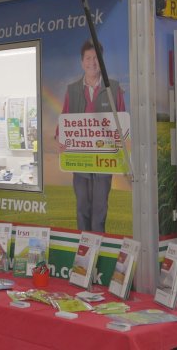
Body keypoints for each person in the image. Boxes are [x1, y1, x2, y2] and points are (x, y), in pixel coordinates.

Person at [59, 39, 125, 232]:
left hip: (104, 161)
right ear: (82, 62)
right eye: (88, 58)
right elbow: (63, 122)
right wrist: (60, 140)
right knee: (82, 208)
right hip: (79, 160)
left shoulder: (114, 88)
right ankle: (84, 249)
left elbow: (122, 122)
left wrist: (120, 142)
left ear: (102, 61)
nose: (92, 62)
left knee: (100, 209)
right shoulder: (72, 90)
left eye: (96, 58)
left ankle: (98, 249)